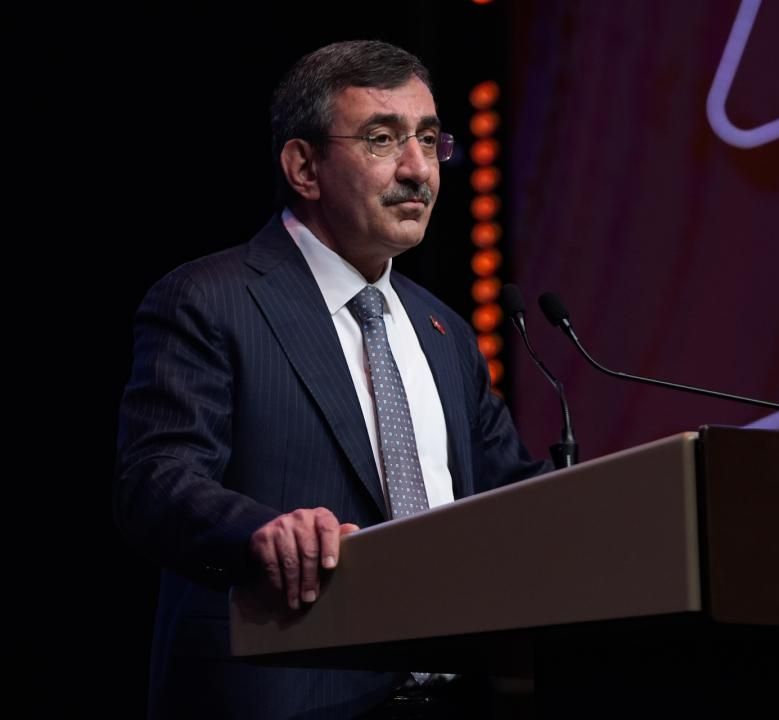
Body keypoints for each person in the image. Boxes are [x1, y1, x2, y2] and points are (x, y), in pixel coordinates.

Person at [115, 40, 550, 718]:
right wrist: (259, 533)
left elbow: (511, 501)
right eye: (382, 139)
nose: (418, 169)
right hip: (290, 694)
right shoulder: (210, 300)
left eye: (428, 139)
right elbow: (155, 483)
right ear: (304, 167)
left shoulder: (444, 332)